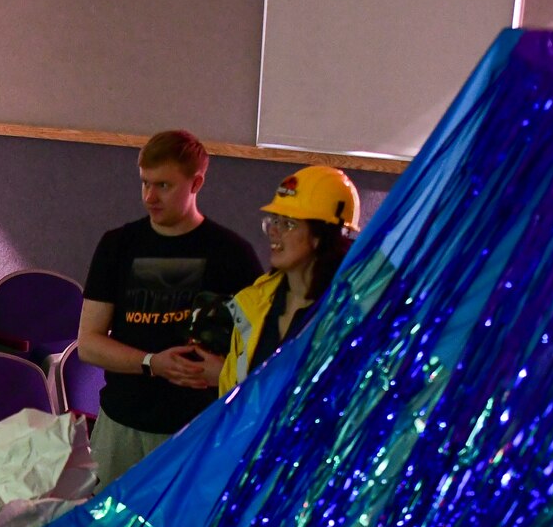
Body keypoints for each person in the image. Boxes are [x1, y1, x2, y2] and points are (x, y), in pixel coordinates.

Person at [77, 129, 263, 489]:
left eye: (163, 186)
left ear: (196, 183)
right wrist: (152, 363)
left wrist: (222, 372)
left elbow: (261, 353)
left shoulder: (232, 254)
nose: (150, 197)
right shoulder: (118, 245)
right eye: (145, 183)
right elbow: (89, 343)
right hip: (122, 425)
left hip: (198, 427)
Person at [207, 165, 361, 396]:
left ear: (321, 237)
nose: (274, 231)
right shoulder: (250, 305)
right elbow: (231, 396)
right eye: (274, 221)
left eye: (288, 224)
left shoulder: (350, 313)